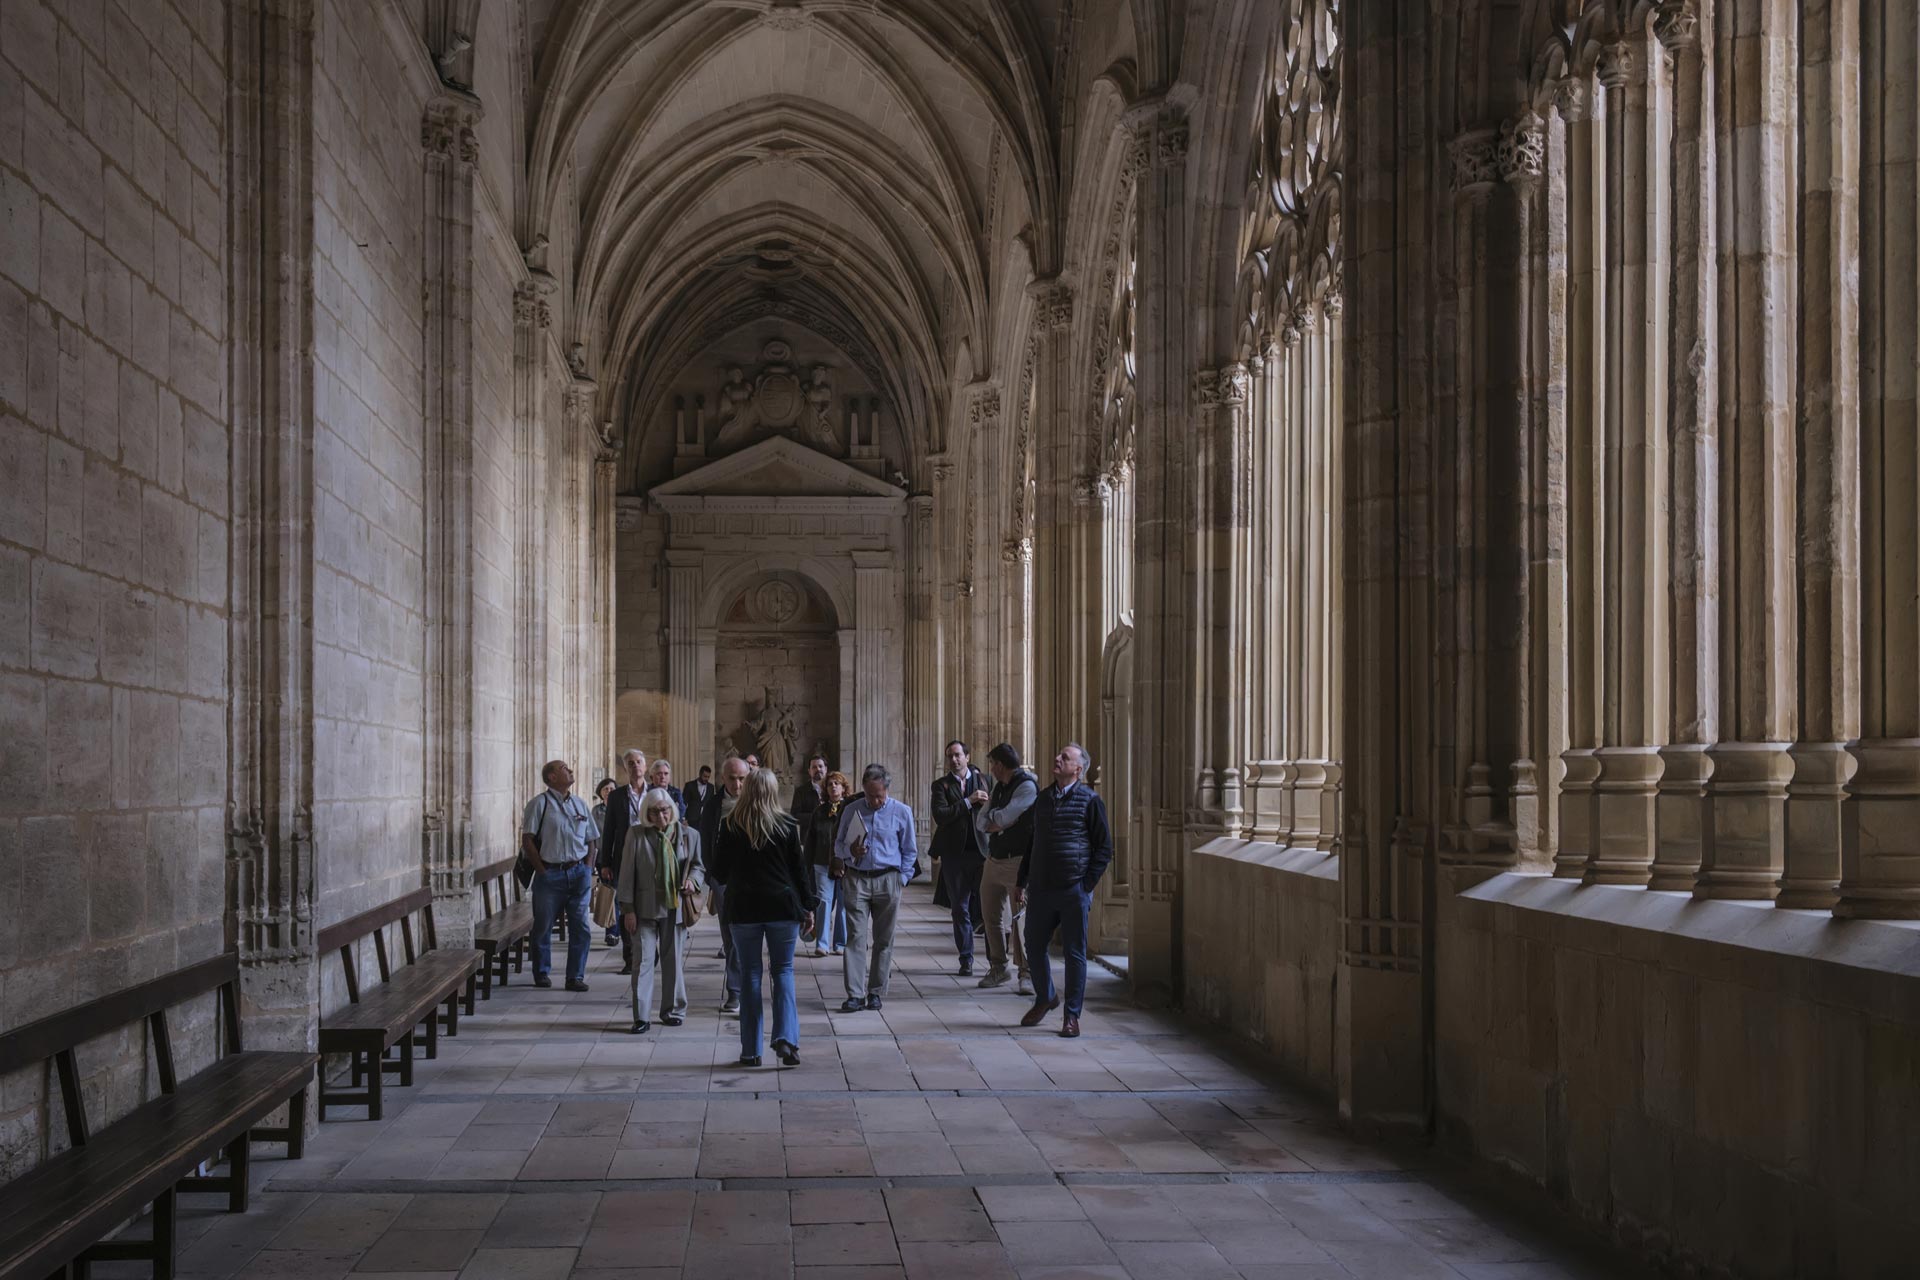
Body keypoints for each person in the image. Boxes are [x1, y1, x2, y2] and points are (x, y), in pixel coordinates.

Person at [709, 767, 815, 1067]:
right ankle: (785, 1039)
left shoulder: (731, 825)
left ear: (747, 790)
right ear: (772, 791)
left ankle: (750, 1050)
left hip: (743, 909)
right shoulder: (787, 825)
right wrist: (808, 907)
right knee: (783, 972)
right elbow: (799, 872)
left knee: (750, 976)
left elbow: (718, 871)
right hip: (782, 907)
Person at [1017, 744, 1114, 1038]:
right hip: (1042, 888)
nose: (1057, 759)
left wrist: (1085, 886)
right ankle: (1045, 996)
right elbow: (1032, 844)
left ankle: (1071, 1016)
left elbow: (1104, 848)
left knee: (1075, 953)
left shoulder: (1090, 801)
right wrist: (1022, 880)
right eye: (1058, 755)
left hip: (1073, 888)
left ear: (1078, 769)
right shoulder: (1043, 799)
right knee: (1032, 945)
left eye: (1065, 758)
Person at [615, 786, 703, 1033]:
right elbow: (626, 874)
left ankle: (672, 1010)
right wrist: (627, 909)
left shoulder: (689, 835)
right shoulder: (636, 834)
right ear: (647, 814)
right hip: (643, 908)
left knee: (672, 959)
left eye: (665, 811)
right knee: (642, 961)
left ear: (672, 810)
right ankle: (641, 1016)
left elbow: (698, 866)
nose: (661, 817)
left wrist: (692, 881)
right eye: (654, 812)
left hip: (674, 906)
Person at [833, 764, 918, 1012]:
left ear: (887, 790)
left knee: (884, 939)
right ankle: (855, 994)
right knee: (856, 937)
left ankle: (876, 991)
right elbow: (838, 845)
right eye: (870, 795)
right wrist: (850, 851)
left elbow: (909, 850)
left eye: (879, 795)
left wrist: (902, 878)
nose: (874, 800)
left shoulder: (902, 812)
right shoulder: (851, 810)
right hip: (857, 878)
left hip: (888, 879)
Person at [521, 759, 599, 991]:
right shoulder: (539, 804)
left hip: (578, 874)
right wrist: (542, 870)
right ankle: (542, 972)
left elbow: (592, 839)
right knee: (543, 926)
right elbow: (527, 840)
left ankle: (575, 976)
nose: (571, 770)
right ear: (551, 777)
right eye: (565, 768)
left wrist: (587, 867)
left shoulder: (580, 804)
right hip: (550, 874)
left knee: (581, 927)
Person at [976, 743, 1038, 995]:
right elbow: (983, 821)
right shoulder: (999, 787)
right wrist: (998, 822)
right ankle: (999, 966)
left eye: (992, 764)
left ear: (1000, 765)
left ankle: (1027, 972)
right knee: (990, 916)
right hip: (995, 858)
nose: (990, 769)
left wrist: (998, 821)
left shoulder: (1026, 785)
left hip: (1017, 861)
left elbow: (1001, 818)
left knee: (1019, 918)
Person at [698, 755, 752, 1013]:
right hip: (724, 878)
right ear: (723, 778)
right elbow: (705, 840)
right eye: (732, 779)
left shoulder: (757, 803)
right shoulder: (712, 805)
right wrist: (711, 875)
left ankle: (749, 987)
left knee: (749, 934)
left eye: (742, 778)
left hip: (754, 879)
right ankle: (735, 991)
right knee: (730, 934)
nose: (738, 784)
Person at [930, 740, 989, 977]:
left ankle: (997, 961)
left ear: (967, 755)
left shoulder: (984, 780)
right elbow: (941, 815)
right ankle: (966, 958)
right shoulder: (940, 785)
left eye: (957, 755)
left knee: (988, 909)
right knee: (959, 908)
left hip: (982, 852)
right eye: (950, 756)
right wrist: (968, 801)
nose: (953, 760)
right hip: (954, 854)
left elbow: (994, 808)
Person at [597, 748, 649, 973]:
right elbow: (609, 830)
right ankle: (629, 957)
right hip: (624, 858)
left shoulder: (656, 792)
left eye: (639, 762)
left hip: (651, 859)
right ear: (626, 768)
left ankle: (648, 951)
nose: (635, 766)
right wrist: (605, 862)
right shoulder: (617, 796)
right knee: (625, 905)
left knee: (648, 905)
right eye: (630, 763)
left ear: (645, 766)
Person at [805, 770, 853, 958]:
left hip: (844, 865)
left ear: (843, 788)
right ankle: (822, 943)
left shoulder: (849, 810)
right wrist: (806, 864)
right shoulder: (819, 811)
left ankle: (840, 943)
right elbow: (811, 840)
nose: (833, 787)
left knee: (842, 904)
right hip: (821, 863)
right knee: (823, 902)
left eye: (837, 784)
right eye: (830, 784)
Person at [791, 753, 828, 820]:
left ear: (826, 769)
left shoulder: (833, 789)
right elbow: (794, 815)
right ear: (809, 771)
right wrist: (816, 816)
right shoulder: (800, 791)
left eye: (820, 766)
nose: (818, 769)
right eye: (814, 767)